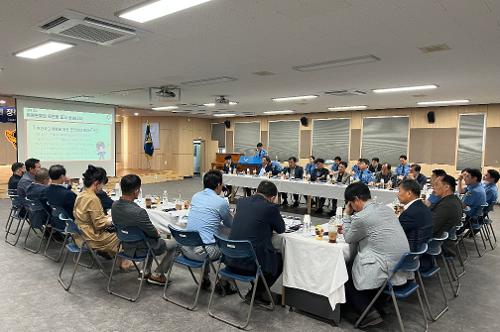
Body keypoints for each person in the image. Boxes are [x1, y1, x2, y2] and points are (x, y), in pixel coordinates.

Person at [342, 182, 410, 328]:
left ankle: (368, 313)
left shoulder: (362, 217)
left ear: (356, 200)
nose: (352, 208)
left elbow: (348, 237)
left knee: (345, 269)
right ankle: (378, 304)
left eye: (350, 204)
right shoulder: (385, 209)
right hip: (402, 264)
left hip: (387, 266)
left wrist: (347, 215)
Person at [111, 174, 178, 286]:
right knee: (176, 243)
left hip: (125, 246)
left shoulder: (114, 205)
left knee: (146, 237)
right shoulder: (139, 212)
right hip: (141, 249)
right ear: (136, 191)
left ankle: (145, 271)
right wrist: (157, 232)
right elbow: (153, 234)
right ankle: (157, 274)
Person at [227, 180, 285, 303]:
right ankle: (257, 293)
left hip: (230, 259)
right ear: (273, 198)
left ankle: (257, 291)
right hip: (250, 265)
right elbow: (281, 229)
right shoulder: (270, 207)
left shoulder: (241, 202)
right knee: (279, 259)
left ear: (256, 191)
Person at [73, 165, 131, 270]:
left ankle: (119, 259)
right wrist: (112, 220)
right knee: (125, 234)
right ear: (96, 183)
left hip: (81, 234)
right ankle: (125, 261)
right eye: (102, 185)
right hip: (92, 238)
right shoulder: (93, 198)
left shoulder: (81, 194)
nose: (102, 188)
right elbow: (99, 224)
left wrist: (106, 218)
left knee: (116, 230)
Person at [184, 170, 233, 290]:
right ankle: (223, 283)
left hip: (186, 249)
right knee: (231, 249)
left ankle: (205, 278)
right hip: (204, 253)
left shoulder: (196, 196)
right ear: (218, 185)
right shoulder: (221, 202)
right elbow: (230, 224)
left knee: (206, 239)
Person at [397, 179, 433, 252]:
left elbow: (395, 234)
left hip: (409, 253)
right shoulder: (424, 207)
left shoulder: (409, 214)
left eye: (399, 191)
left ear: (409, 193)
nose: (397, 194)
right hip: (422, 250)